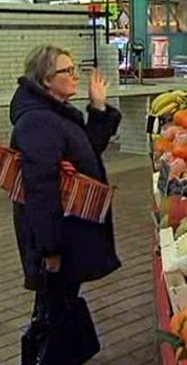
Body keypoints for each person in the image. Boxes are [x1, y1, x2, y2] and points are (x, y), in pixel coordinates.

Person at [10, 45, 122, 363]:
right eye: (67, 71)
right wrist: (51, 250)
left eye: (75, 69)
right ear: (47, 79)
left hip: (68, 229)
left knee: (56, 306)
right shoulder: (38, 123)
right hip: (58, 235)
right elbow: (41, 189)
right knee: (54, 313)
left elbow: (86, 151)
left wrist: (98, 108)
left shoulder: (56, 113)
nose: (75, 77)